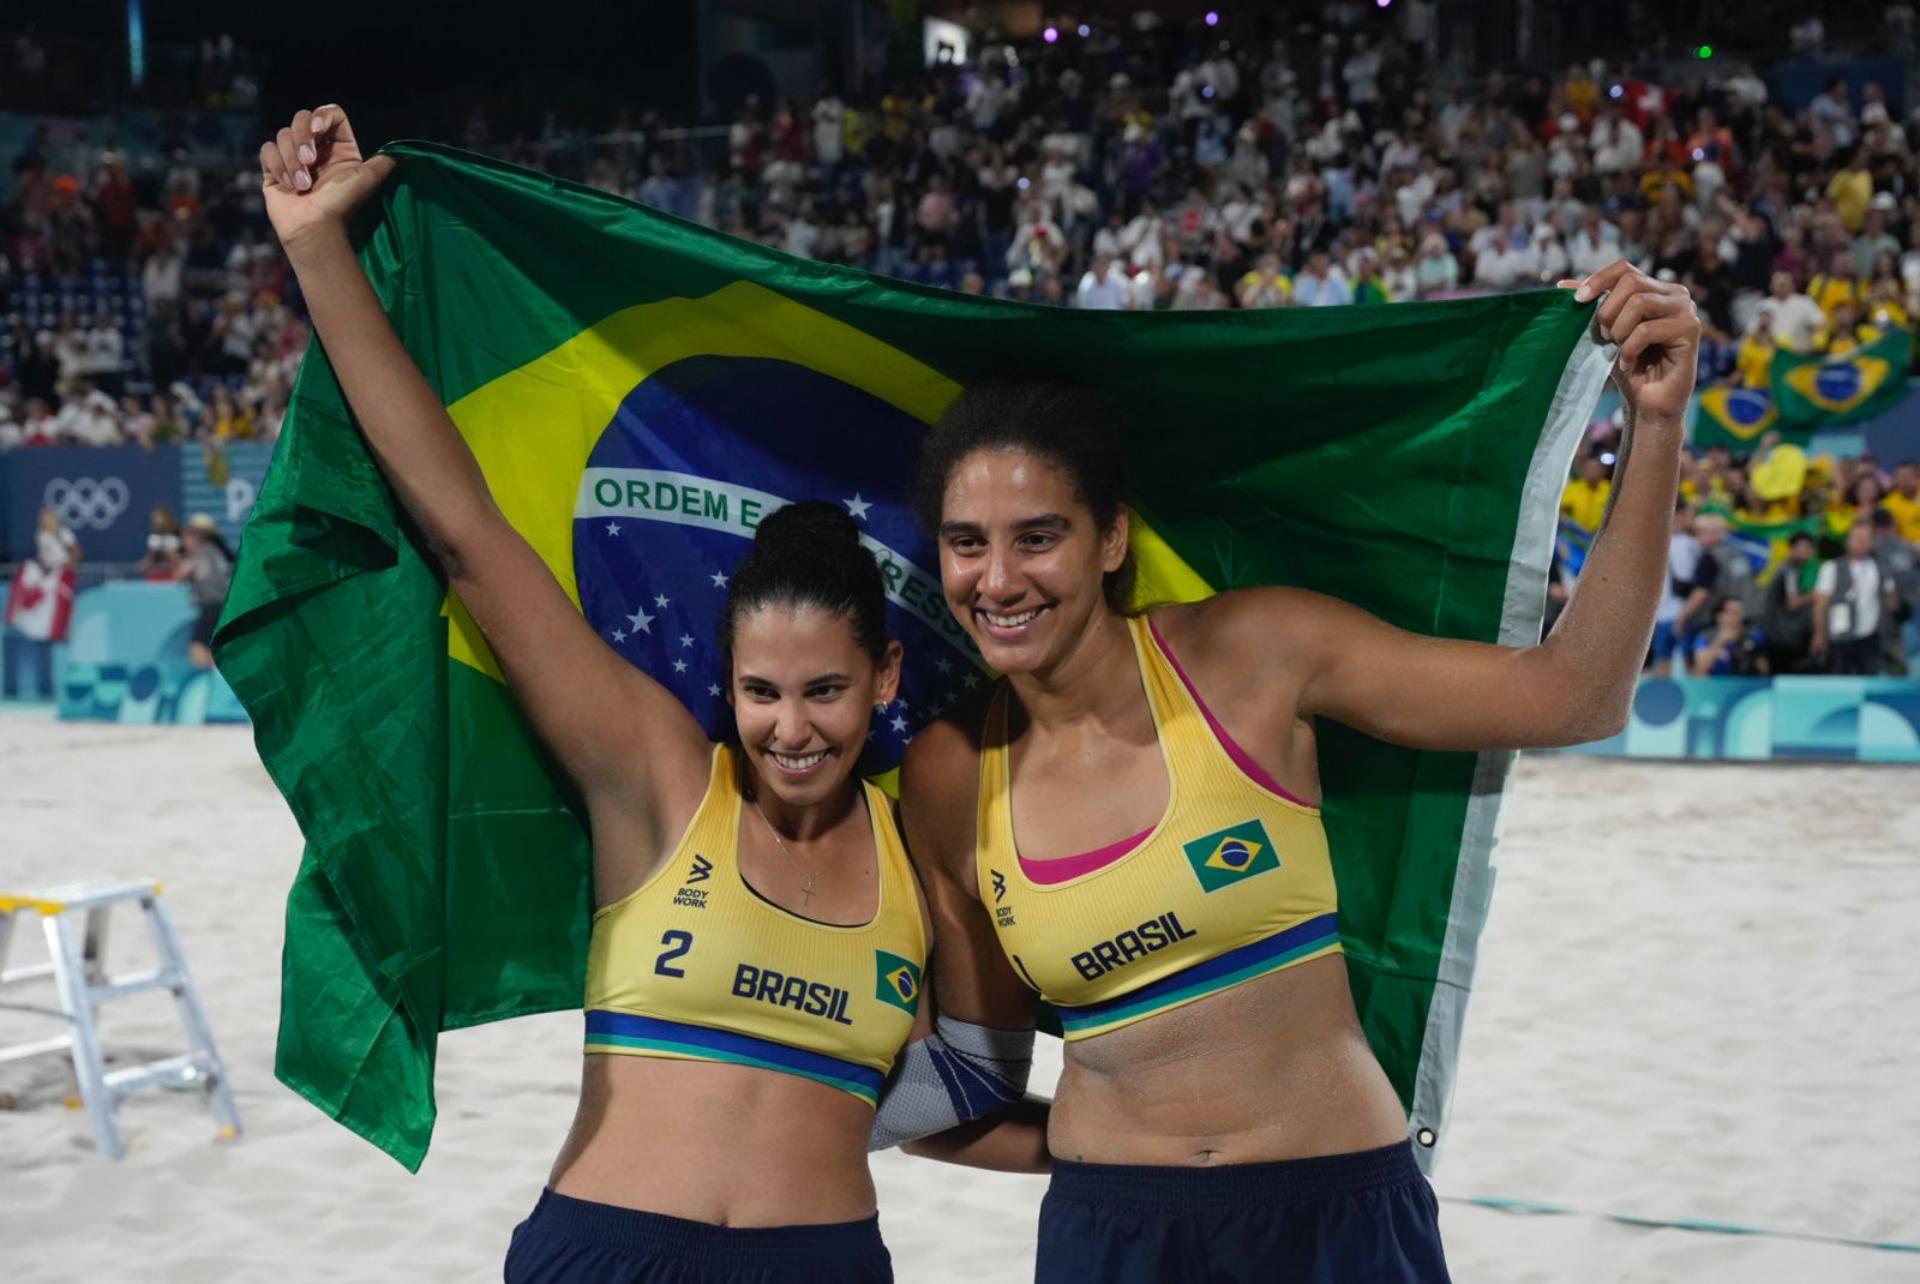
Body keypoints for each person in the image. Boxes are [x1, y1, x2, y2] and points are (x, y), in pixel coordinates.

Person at [259, 104, 1044, 1284]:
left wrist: (1133, 1147)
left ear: (885, 676)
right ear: (723, 684)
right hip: (609, 1254)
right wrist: (318, 245)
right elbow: (466, 532)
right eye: (761, 691)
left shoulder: (921, 851)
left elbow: (951, 1099)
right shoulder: (661, 776)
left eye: (826, 690)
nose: (791, 728)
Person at [900, 260, 1698, 1281]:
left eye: (1038, 538)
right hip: (1113, 1232)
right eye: (967, 544)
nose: (998, 579)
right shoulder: (948, 772)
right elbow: (968, 1079)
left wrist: (1656, 427)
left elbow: (1575, 695)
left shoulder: (1254, 654)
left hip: (1335, 1215)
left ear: (1112, 539)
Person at [1813, 519, 1897, 675]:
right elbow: (1820, 604)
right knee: (1840, 678)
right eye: (1857, 538)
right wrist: (1819, 633)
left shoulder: (1880, 568)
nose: (1861, 543)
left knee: (1869, 678)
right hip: (1838, 635)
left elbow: (1891, 598)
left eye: (1866, 539)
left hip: (1869, 635)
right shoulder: (1831, 568)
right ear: (1848, 541)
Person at [177, 515, 235, 669]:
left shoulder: (204, 554)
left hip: (214, 607)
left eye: (190, 534)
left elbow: (181, 575)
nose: (184, 539)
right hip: (220, 607)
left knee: (198, 653)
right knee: (211, 652)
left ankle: (222, 683)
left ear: (201, 536)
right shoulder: (218, 553)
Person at [1760, 531, 1820, 674]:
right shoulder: (1789, 569)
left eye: (1810, 548)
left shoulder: (1794, 570)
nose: (1807, 551)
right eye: (1803, 547)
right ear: (1792, 549)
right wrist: (1816, 594)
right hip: (1781, 638)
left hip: (1782, 636)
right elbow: (1793, 603)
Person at [1687, 596, 1767, 676]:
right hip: (1715, 684)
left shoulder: (1752, 634)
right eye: (1733, 613)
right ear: (1720, 616)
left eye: (1740, 613)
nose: (1737, 618)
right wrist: (1720, 641)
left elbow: (1764, 670)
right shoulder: (1705, 636)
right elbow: (1700, 671)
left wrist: (1745, 645)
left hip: (1745, 682)